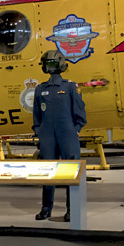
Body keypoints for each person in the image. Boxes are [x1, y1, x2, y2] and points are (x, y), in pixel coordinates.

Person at [32, 49, 87, 222]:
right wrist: (40, 132)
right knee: (47, 172)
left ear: (61, 64)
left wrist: (74, 130)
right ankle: (46, 208)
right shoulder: (40, 89)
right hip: (48, 135)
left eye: (54, 63)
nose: (50, 67)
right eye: (48, 64)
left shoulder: (70, 87)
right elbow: (36, 115)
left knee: (71, 172)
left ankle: (72, 209)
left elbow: (80, 113)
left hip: (67, 134)